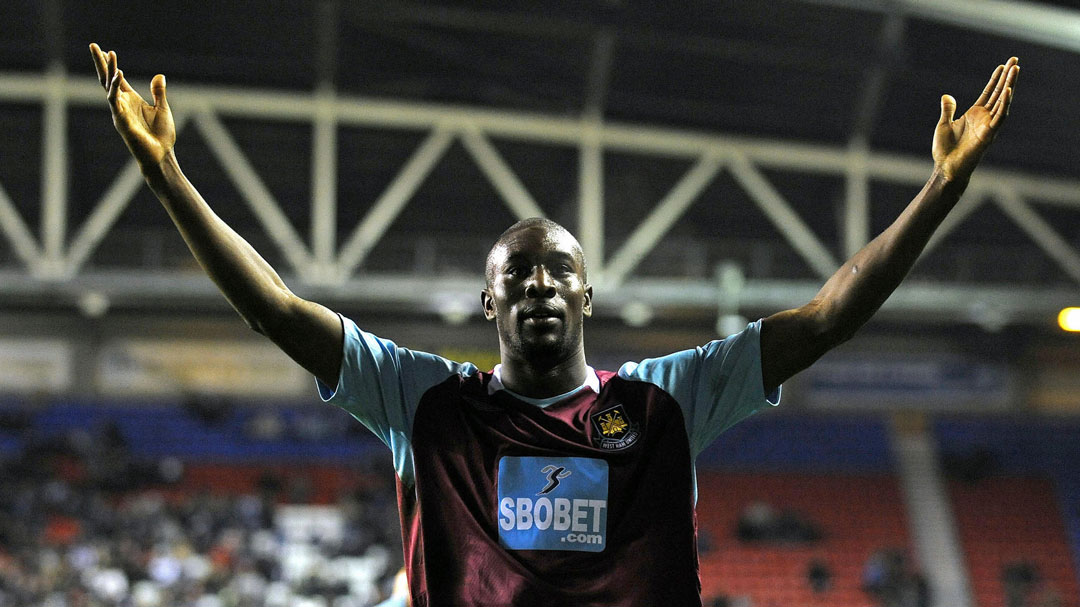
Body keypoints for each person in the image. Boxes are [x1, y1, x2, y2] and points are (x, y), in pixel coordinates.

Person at [88, 43, 1018, 606]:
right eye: (518, 274)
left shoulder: (666, 401)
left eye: (558, 272)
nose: (539, 285)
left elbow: (826, 317)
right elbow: (275, 309)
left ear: (586, 295)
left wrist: (942, 187)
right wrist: (166, 174)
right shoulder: (424, 402)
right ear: (490, 303)